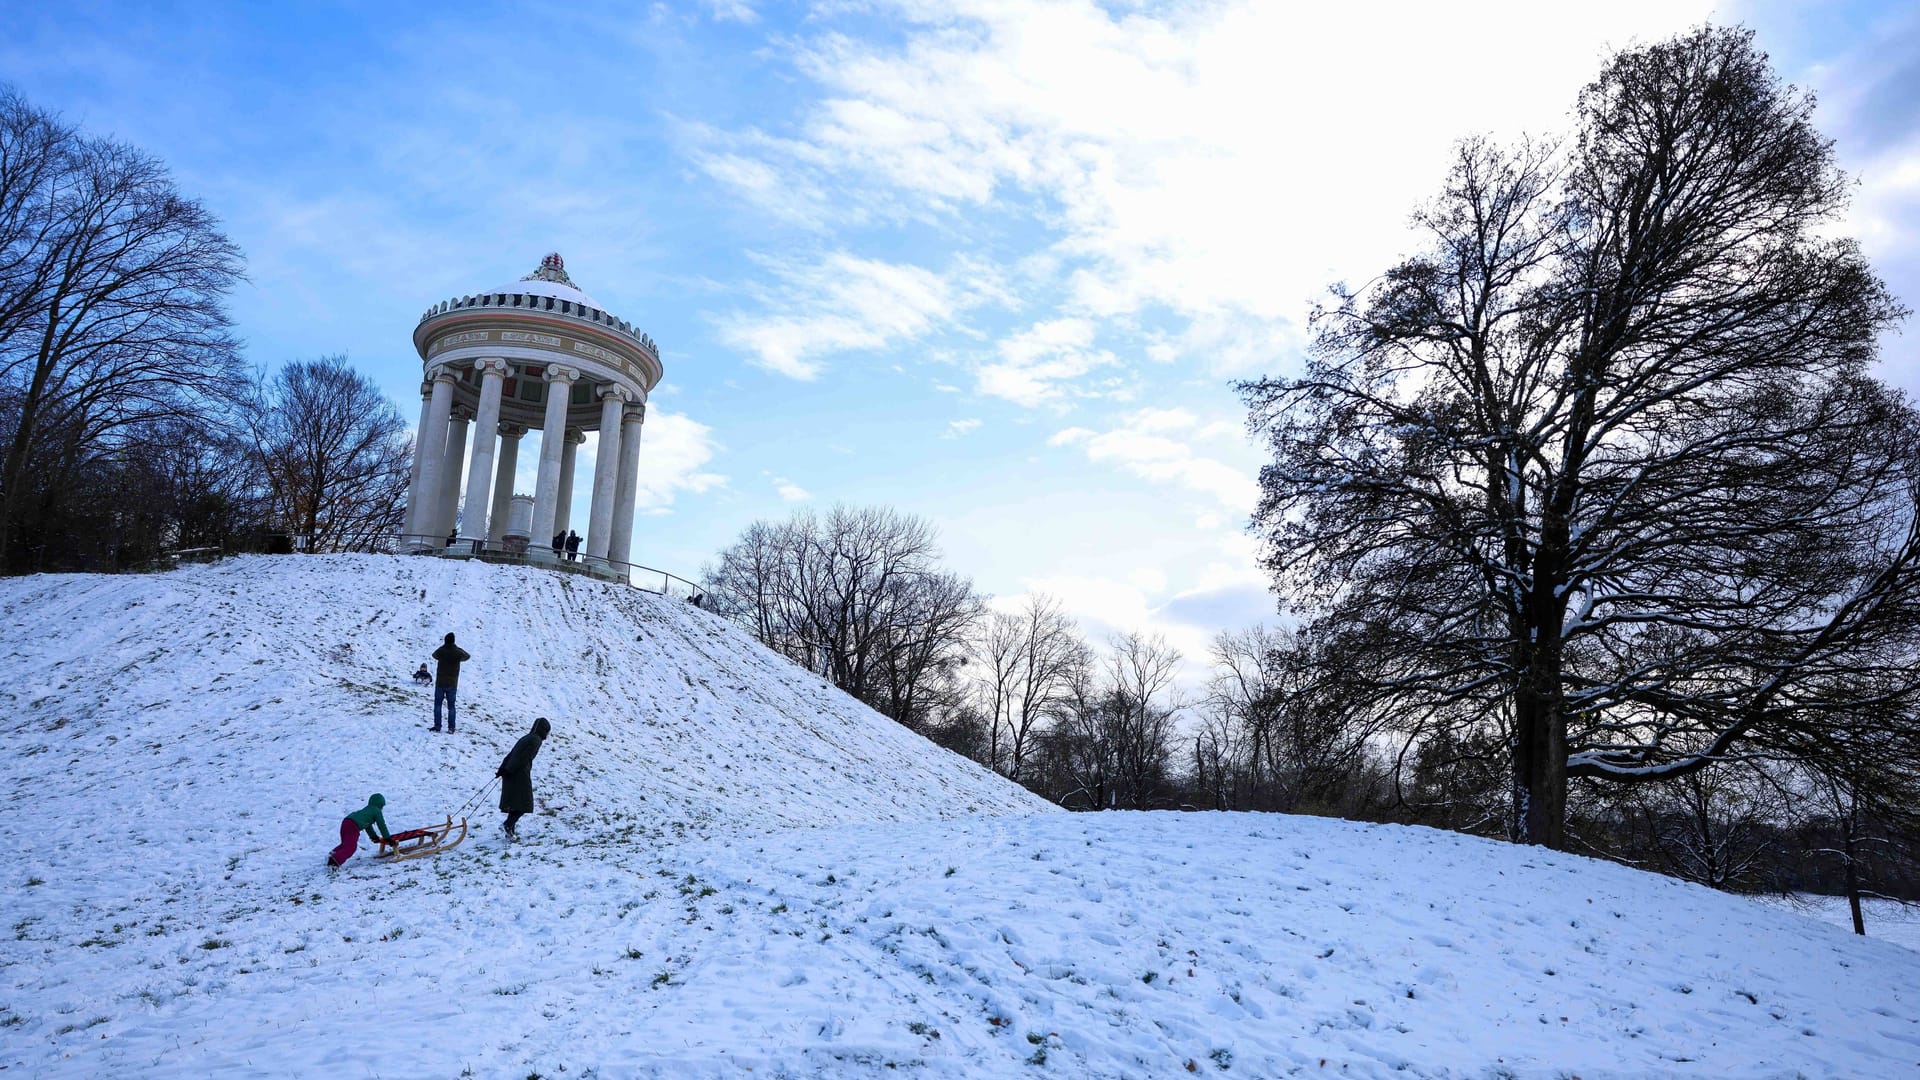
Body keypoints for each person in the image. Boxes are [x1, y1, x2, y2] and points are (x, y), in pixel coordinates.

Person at [497, 717, 551, 840]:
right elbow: (524, 758)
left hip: (511, 772)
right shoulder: (536, 740)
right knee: (525, 803)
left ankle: (510, 832)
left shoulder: (526, 737)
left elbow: (511, 754)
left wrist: (503, 768)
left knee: (515, 803)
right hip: (519, 774)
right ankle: (508, 824)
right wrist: (509, 770)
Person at [328, 793, 391, 868]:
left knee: (346, 844)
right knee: (351, 847)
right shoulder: (376, 811)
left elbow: (368, 826)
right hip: (353, 825)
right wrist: (387, 838)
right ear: (380, 805)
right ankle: (334, 862)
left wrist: (374, 837)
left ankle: (332, 854)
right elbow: (382, 825)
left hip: (346, 822)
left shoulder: (368, 809)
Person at [430, 632, 471, 733]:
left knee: (438, 705)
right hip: (452, 683)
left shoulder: (441, 651)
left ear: (445, 640)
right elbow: (467, 656)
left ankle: (437, 726)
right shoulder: (457, 652)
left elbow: (434, 654)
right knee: (451, 706)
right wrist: (457, 648)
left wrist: (444, 646)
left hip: (440, 683)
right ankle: (451, 728)